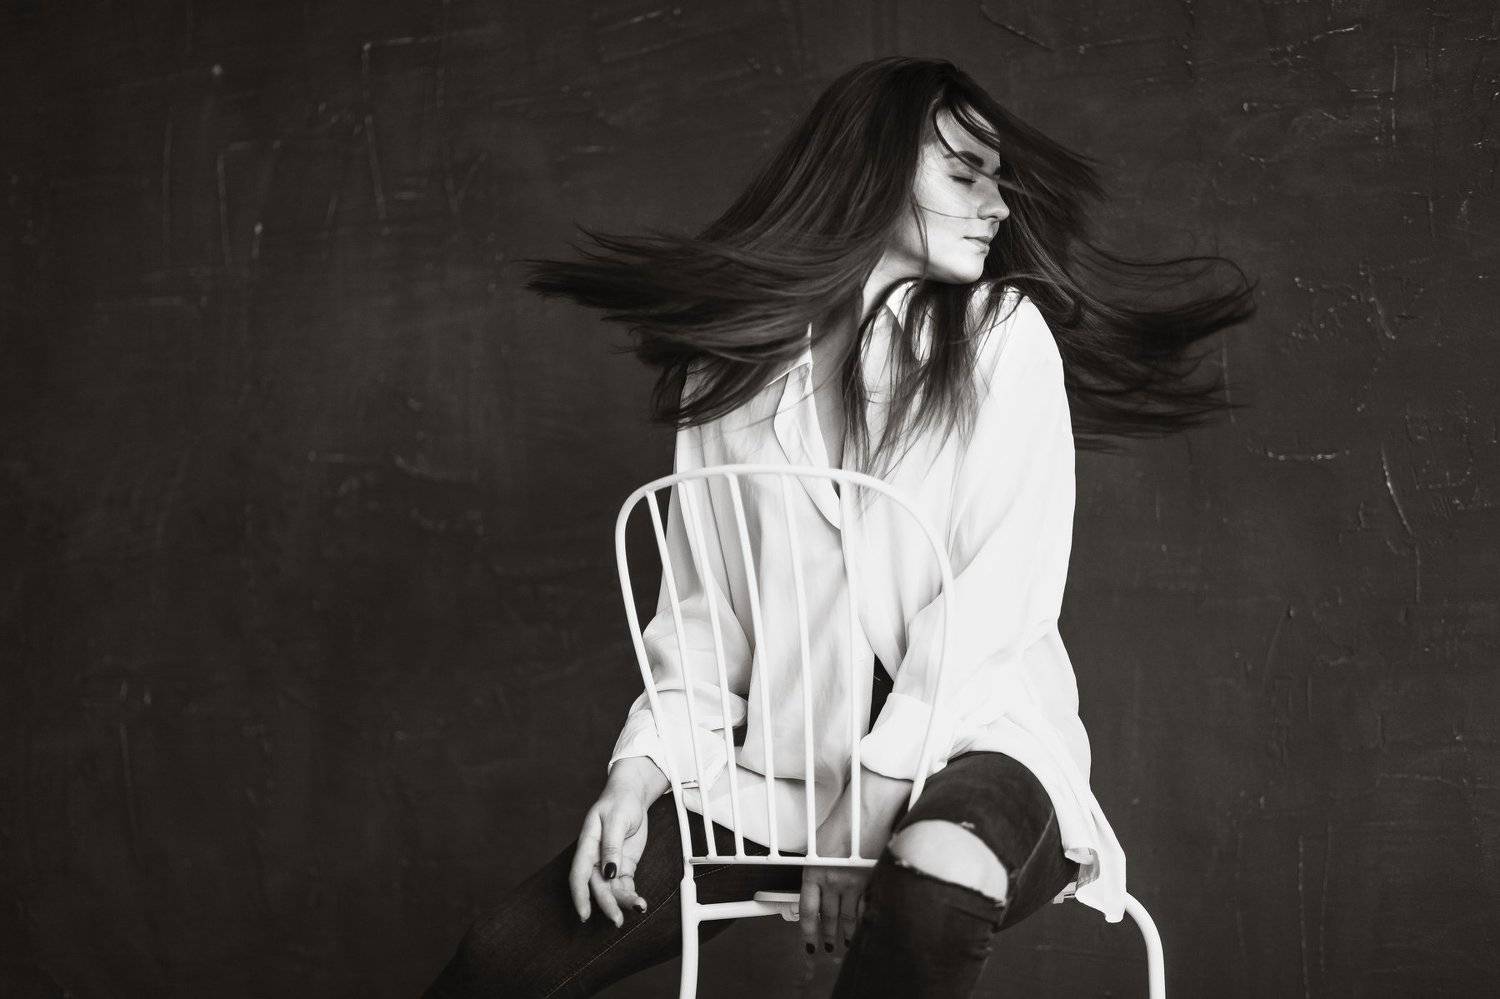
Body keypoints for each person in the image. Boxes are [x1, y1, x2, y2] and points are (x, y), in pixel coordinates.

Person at [422, 56, 1255, 998]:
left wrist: (864, 813)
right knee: (501, 961)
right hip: (777, 787)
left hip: (976, 759)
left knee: (933, 879)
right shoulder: (730, 372)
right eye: (965, 174)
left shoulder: (1000, 339)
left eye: (999, 180)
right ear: (871, 174)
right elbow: (706, 624)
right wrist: (639, 774)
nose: (998, 207)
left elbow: (989, 616)